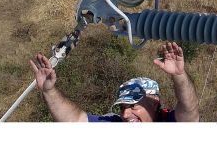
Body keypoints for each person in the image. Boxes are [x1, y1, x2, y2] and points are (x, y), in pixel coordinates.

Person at [30, 41, 199, 122]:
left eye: (133, 106)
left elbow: (190, 109)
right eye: (123, 108)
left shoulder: (170, 122)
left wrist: (179, 75)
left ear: (154, 102)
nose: (125, 114)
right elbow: (76, 121)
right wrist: (49, 91)